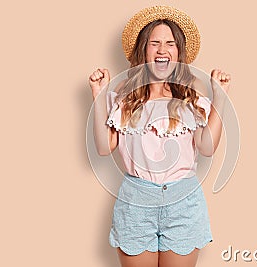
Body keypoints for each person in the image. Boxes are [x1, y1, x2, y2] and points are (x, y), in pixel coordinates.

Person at [88, 6, 231, 267]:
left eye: (170, 44)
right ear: (144, 50)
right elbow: (102, 147)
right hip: (136, 202)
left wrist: (219, 98)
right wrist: (99, 96)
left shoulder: (191, 100)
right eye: (154, 43)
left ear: (178, 53)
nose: (162, 50)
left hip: (184, 202)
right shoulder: (123, 99)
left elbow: (207, 148)